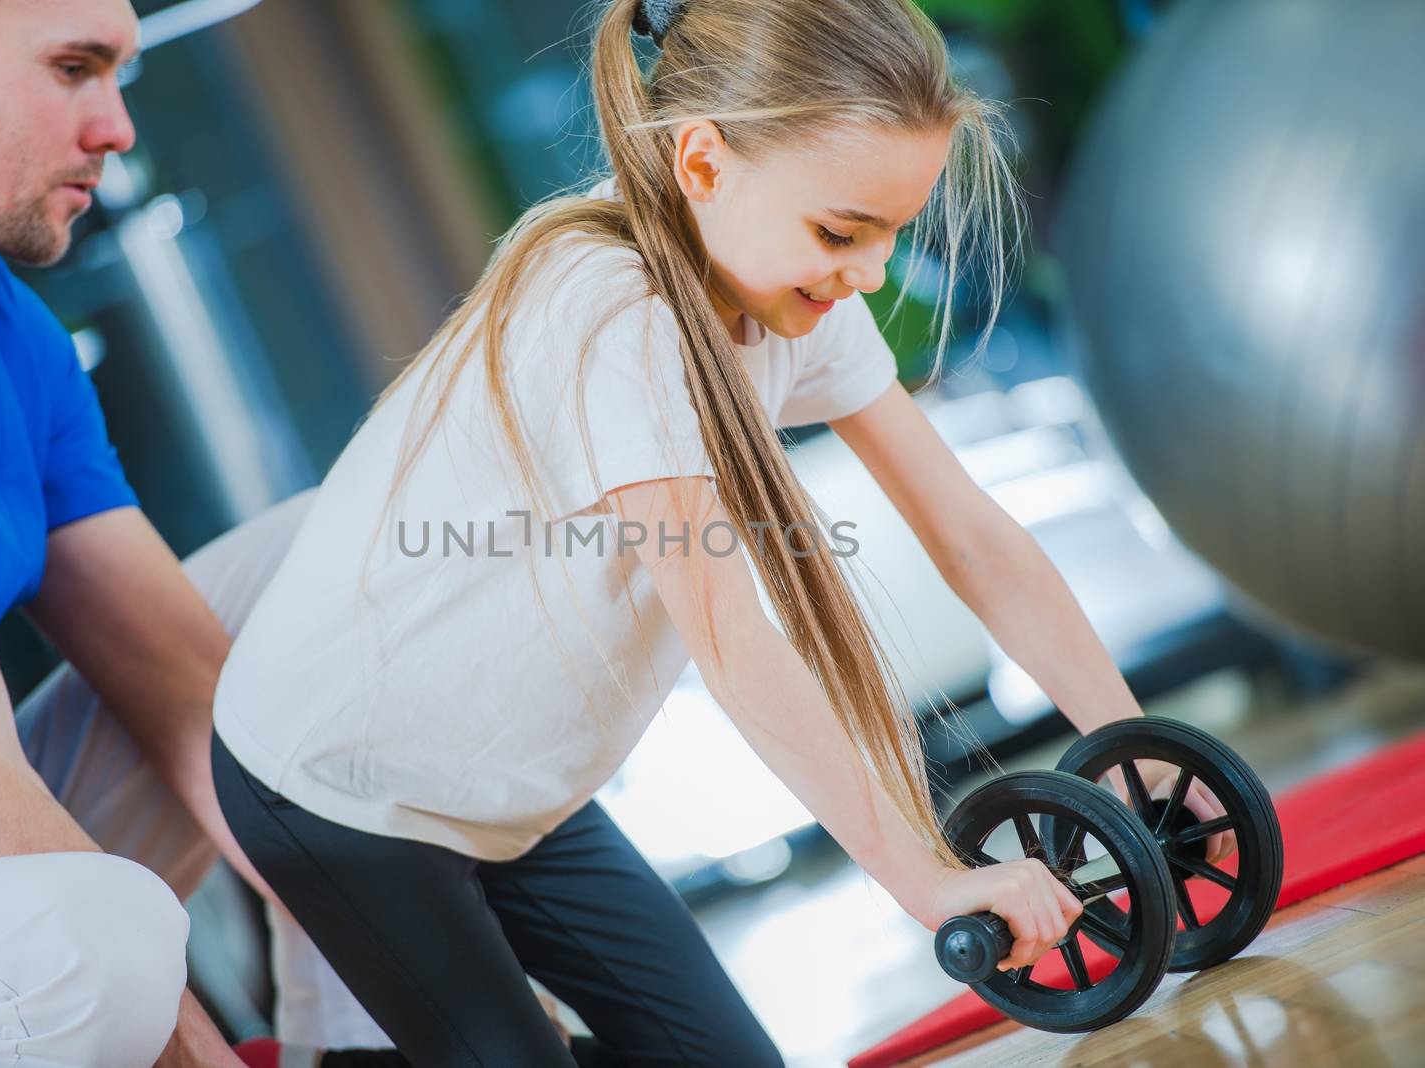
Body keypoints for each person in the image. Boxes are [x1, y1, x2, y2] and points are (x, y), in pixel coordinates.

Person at [209, 0, 1239, 1066]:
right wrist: (925, 880)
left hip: (520, 796)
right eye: (841, 232)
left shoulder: (792, 297)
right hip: (346, 786)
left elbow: (970, 535)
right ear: (700, 162)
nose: (872, 274)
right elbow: (731, 635)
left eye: (893, 232)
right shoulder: (610, 309)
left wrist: (1131, 758)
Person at [0, 2, 292, 1064]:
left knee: (300, 583)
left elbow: (190, 706)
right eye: (75, 69)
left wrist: (431, 1000)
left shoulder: (3, 329)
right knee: (92, 940)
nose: (118, 127)